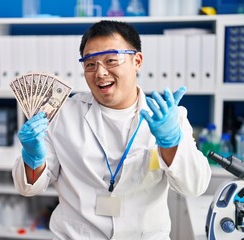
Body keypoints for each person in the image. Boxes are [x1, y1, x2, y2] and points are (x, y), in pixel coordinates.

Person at [12, 20, 211, 239]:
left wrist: (171, 143)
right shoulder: (61, 114)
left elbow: (195, 187)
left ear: (137, 61)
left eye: (111, 60)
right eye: (90, 64)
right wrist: (32, 157)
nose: (100, 72)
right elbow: (28, 188)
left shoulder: (170, 118)